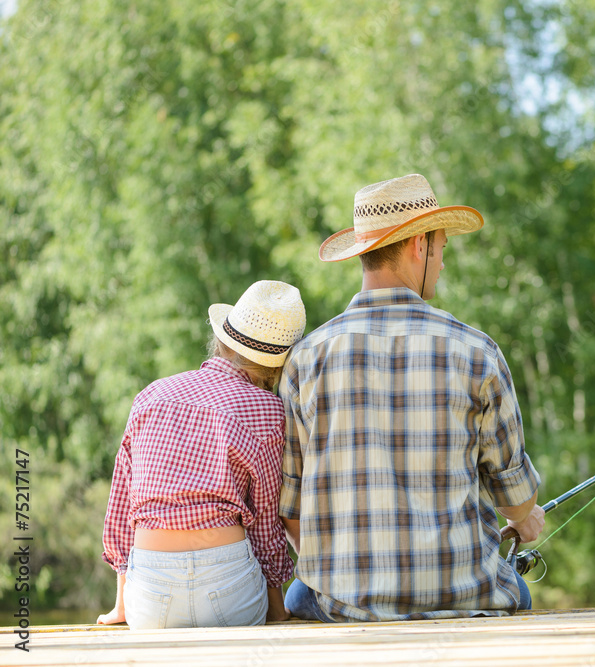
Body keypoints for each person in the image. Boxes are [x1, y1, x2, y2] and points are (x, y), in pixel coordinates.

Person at [279, 173, 545, 622]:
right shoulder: (477, 352)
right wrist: (526, 518)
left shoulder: (306, 359)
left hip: (345, 605)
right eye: (441, 248)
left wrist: (342, 574)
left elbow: (292, 508)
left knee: (297, 597)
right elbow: (515, 500)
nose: (441, 264)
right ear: (418, 246)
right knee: (519, 589)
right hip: (466, 596)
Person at [98, 280, 306, 629]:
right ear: (276, 367)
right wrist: (275, 607)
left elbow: (121, 507)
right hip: (228, 588)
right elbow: (266, 522)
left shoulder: (151, 396)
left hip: (149, 596)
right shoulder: (269, 409)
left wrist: (122, 606)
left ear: (222, 341)